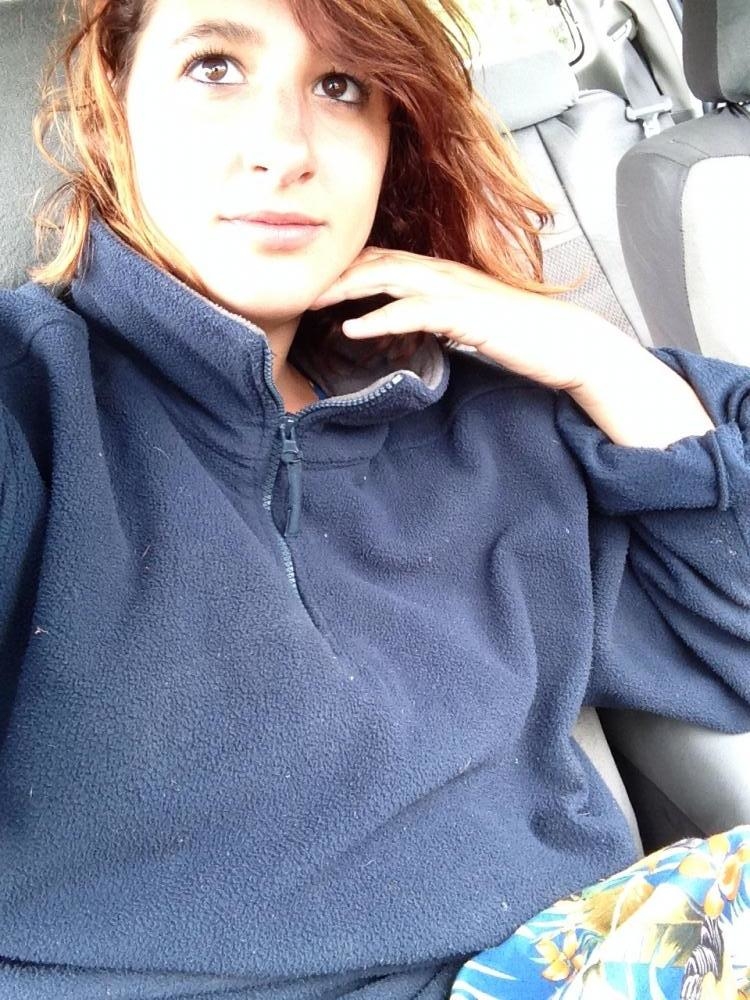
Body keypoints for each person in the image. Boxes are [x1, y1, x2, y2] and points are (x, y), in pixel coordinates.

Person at [0, 0, 748, 997]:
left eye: (340, 85)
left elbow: (733, 636)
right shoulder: (31, 400)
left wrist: (596, 358)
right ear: (114, 105)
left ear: (394, 134)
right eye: (214, 67)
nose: (283, 149)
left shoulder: (498, 414)